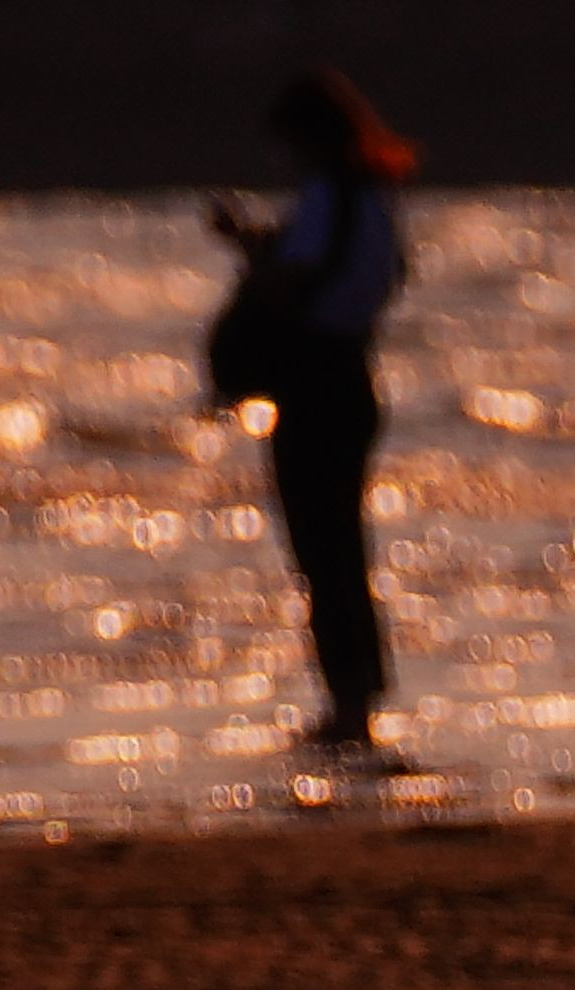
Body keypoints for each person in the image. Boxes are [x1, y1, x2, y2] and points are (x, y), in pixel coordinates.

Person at [208, 69, 413, 756]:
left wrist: (245, 248)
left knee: (319, 549)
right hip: (354, 375)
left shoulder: (327, 197)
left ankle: (347, 708)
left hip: (314, 383)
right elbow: (385, 277)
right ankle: (359, 700)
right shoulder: (376, 198)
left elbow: (291, 279)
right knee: (345, 548)